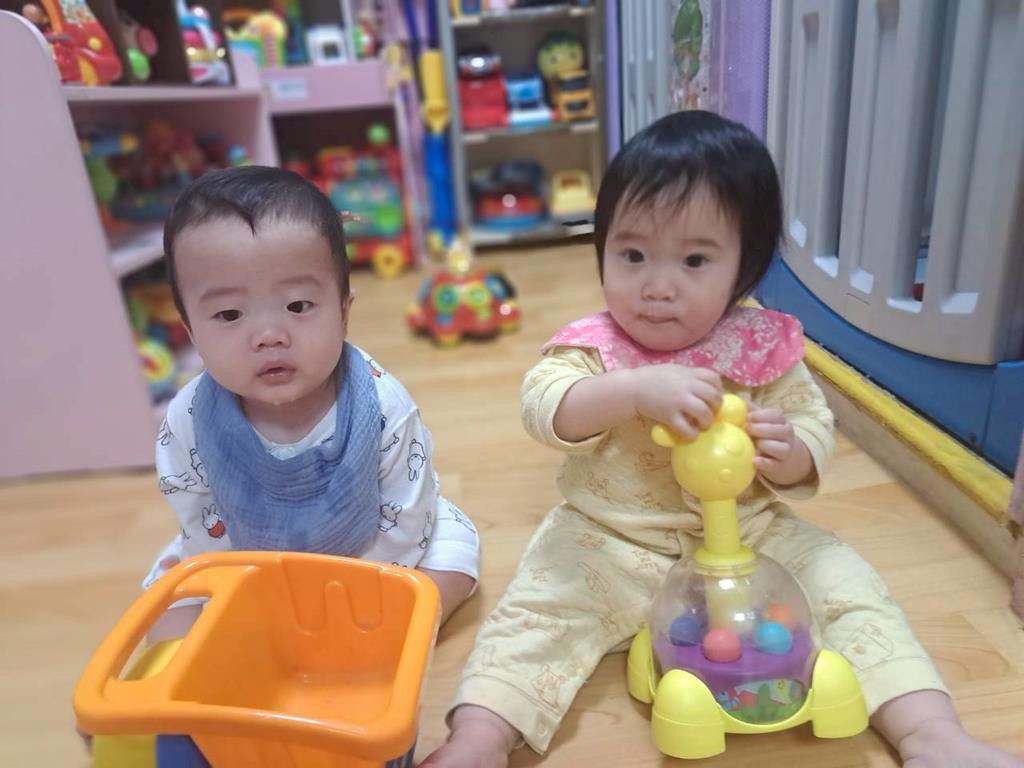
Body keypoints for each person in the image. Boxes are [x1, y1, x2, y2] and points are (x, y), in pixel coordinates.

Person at [421, 111, 1022, 767]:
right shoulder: (595, 346)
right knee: (536, 612)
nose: (657, 285)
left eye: (695, 260)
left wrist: (789, 452)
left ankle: (932, 735)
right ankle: (478, 740)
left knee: (848, 585)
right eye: (632, 255)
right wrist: (631, 391)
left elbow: (810, 423)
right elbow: (545, 407)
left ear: (744, 269)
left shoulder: (760, 347)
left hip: (752, 537)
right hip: (609, 538)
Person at [143, 166, 478, 639]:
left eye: (298, 306)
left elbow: (405, 517)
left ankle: (379, 629)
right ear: (191, 330)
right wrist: (246, 591)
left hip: (373, 550)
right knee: (163, 602)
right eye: (229, 314)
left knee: (454, 551)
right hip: (248, 555)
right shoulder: (190, 419)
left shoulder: (382, 405)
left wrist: (346, 598)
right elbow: (199, 516)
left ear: (343, 311)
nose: (269, 336)